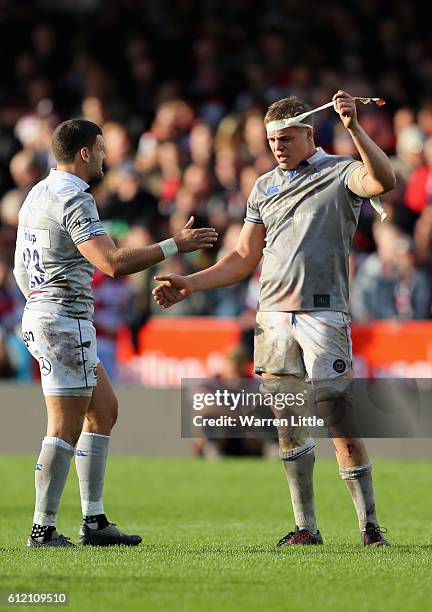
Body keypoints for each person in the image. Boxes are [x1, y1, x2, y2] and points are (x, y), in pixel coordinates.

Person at [153, 91, 396, 546]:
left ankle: (370, 528)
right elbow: (244, 258)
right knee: (288, 424)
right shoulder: (263, 186)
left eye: (286, 138)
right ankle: (306, 528)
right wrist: (191, 282)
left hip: (323, 313)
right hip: (272, 318)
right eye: (271, 140)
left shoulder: (340, 171)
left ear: (309, 133)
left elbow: (383, 180)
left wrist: (355, 128)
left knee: (338, 418)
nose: (278, 147)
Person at [13, 119, 217, 547]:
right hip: (64, 319)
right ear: (85, 153)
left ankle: (94, 522)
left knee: (103, 411)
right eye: (102, 149)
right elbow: (113, 263)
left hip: (47, 314)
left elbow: (19, 268)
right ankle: (42, 527)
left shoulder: (37, 193)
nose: (106, 156)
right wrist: (174, 245)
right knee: (64, 427)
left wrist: (39, 301)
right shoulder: (74, 196)